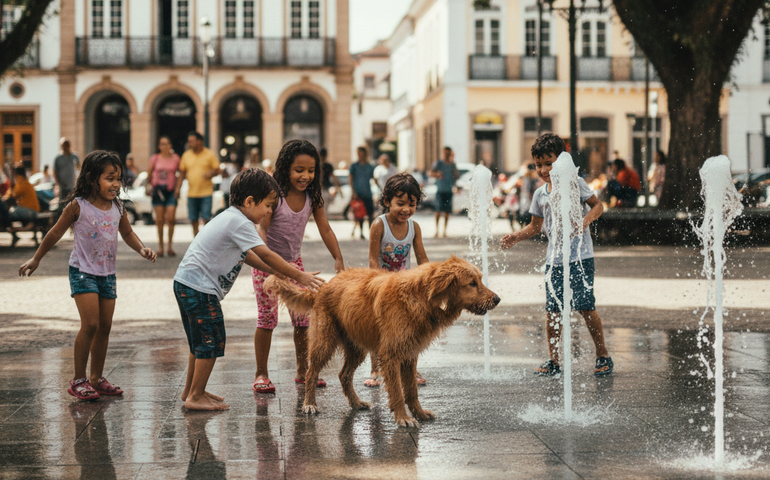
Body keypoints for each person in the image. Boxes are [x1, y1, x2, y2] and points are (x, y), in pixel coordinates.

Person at [174, 167, 325, 409]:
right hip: (199, 289)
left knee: (198, 342)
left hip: (187, 284)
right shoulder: (240, 223)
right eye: (267, 205)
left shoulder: (230, 217)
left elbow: (247, 256)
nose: (269, 211)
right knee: (211, 342)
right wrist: (299, 276)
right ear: (249, 201)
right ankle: (195, 397)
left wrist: (276, 271)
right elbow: (265, 252)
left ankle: (191, 391)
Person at [18, 151, 157, 401]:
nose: (115, 184)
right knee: (90, 324)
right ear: (93, 179)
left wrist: (142, 248)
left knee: (104, 327)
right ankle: (78, 379)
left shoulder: (118, 207)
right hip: (82, 271)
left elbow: (128, 233)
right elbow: (54, 233)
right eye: (109, 178)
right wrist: (36, 258)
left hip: (107, 273)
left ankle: (96, 378)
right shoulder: (77, 206)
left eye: (118, 179)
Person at [500, 133, 613, 378]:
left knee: (585, 307)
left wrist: (584, 222)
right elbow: (535, 226)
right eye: (538, 165)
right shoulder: (541, 194)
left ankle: (602, 353)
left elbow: (598, 206)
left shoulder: (575, 183)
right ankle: (554, 360)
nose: (543, 170)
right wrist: (516, 237)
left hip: (581, 258)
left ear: (561, 160)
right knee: (553, 310)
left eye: (548, 163)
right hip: (554, 261)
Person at [251, 140, 345, 394]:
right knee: (267, 318)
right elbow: (262, 228)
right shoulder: (275, 195)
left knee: (303, 319)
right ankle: (261, 373)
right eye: (299, 170)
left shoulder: (312, 196)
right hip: (266, 264)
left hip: (295, 263)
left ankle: (303, 371)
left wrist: (338, 257)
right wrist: (267, 260)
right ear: (285, 168)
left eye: (311, 170)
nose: (305, 176)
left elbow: (324, 227)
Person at [364, 172, 429, 387]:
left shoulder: (414, 227)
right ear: (386, 201)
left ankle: (411, 369)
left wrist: (430, 280)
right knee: (379, 328)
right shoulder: (379, 225)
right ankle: (376, 369)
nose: (406, 209)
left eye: (412, 204)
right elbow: (373, 260)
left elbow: (422, 259)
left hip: (404, 287)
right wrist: (379, 284)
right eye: (400, 203)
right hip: (381, 286)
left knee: (412, 328)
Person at [175, 132, 221, 236]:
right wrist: (178, 189)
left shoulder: (209, 154)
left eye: (192, 141)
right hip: (191, 193)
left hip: (206, 193)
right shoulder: (186, 155)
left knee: (206, 218)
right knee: (193, 219)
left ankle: (206, 240)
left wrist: (210, 173)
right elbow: (182, 173)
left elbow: (217, 170)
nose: (189, 143)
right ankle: (196, 239)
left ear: (199, 141)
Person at [146, 136, 181, 257]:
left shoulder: (176, 158)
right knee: (159, 220)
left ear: (170, 145)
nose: (164, 146)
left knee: (171, 219)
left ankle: (170, 246)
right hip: (158, 190)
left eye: (166, 144)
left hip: (171, 191)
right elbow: (149, 173)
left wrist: (178, 188)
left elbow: (181, 173)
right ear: (159, 146)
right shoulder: (155, 158)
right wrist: (147, 187)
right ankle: (161, 247)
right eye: (161, 144)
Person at [4, 166, 41, 246]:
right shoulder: (26, 182)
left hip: (29, 211)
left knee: (8, 213)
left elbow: (14, 195)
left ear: (16, 174)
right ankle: (25, 228)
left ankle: (14, 234)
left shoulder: (21, 182)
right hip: (33, 210)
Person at [429, 146, 459, 238]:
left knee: (447, 212)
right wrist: (437, 174)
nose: (446, 154)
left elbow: (456, 175)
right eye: (445, 153)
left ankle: (444, 231)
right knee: (437, 211)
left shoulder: (452, 164)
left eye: (448, 153)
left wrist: (454, 180)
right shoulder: (438, 163)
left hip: (449, 190)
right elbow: (430, 173)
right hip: (440, 190)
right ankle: (437, 230)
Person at [349, 146, 375, 239]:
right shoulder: (354, 166)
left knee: (370, 214)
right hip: (358, 193)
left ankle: (371, 232)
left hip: (367, 193)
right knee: (360, 215)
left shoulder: (369, 166)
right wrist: (353, 192)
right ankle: (361, 233)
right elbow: (351, 179)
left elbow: (373, 178)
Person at [53, 137, 80, 204]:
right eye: (63, 145)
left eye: (67, 145)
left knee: (73, 202)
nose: (65, 147)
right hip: (62, 185)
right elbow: (55, 171)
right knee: (63, 203)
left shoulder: (74, 156)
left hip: (72, 184)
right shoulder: (58, 158)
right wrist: (57, 183)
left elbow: (79, 168)